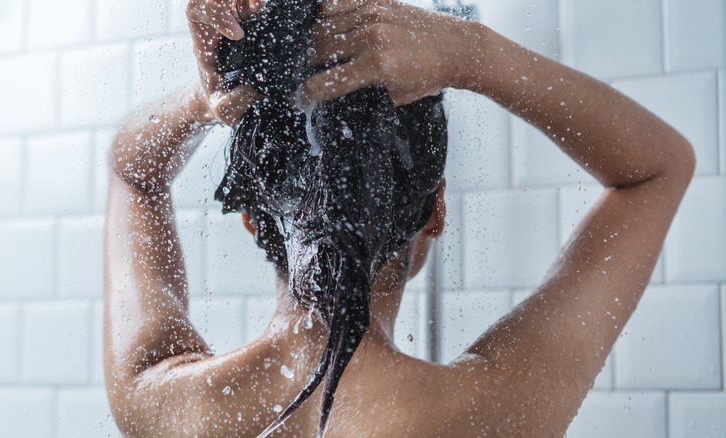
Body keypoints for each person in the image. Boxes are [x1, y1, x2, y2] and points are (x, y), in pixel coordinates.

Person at [103, 0, 695, 435]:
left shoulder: (166, 405)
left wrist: (214, 97)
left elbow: (132, 170)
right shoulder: (487, 416)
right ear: (435, 211)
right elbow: (658, 168)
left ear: (255, 220)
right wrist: (474, 54)